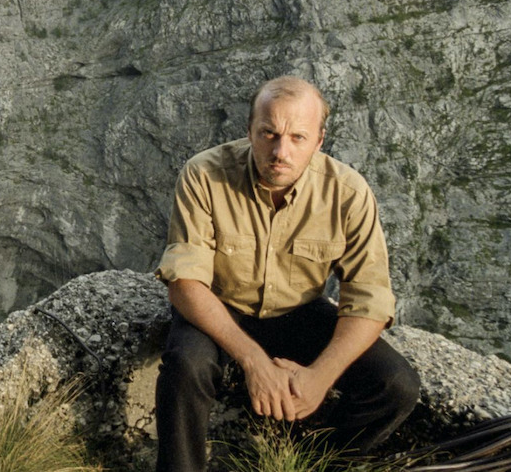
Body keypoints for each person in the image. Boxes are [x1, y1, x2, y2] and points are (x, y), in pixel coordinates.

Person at [154, 76, 420, 472]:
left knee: (396, 385)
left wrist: (319, 377)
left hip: (299, 312)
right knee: (185, 366)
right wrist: (254, 363)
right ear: (249, 131)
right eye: (269, 133)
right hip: (220, 308)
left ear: (319, 140)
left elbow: (370, 300)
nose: (281, 151)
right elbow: (185, 283)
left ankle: (310, 465)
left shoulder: (348, 193)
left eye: (297, 137)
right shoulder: (205, 175)